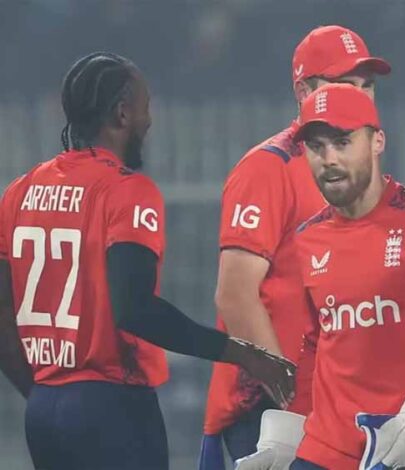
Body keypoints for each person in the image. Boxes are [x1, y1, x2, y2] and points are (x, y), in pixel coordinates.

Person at [0, 52, 295, 470]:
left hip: (45, 408)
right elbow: (136, 310)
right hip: (112, 406)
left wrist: (44, 396)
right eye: (145, 106)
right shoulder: (127, 191)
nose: (149, 120)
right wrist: (244, 354)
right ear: (122, 113)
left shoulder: (19, 192)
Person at [199, 25, 392, 469]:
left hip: (338, 405)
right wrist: (292, 399)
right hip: (271, 407)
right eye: (345, 84)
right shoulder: (269, 169)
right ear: (303, 91)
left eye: (367, 86)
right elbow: (235, 294)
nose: (360, 96)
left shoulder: (358, 168)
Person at [280, 83, 405, 470]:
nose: (328, 159)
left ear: (377, 142)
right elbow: (315, 345)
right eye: (316, 147)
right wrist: (285, 437)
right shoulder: (306, 240)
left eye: (342, 142)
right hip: (325, 451)